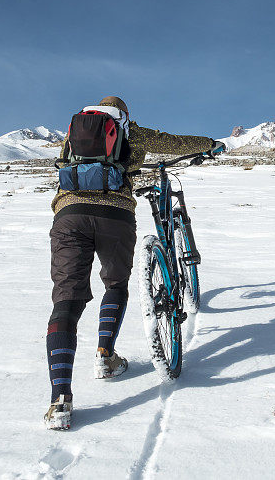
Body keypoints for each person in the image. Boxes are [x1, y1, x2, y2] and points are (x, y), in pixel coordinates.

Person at [44, 95, 224, 430]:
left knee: (66, 301)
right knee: (115, 284)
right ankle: (105, 356)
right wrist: (210, 145)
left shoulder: (73, 135)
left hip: (69, 216)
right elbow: (175, 143)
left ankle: (60, 400)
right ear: (123, 117)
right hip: (116, 216)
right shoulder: (133, 133)